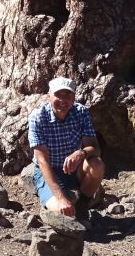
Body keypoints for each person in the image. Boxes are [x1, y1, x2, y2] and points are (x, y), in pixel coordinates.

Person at [28, 76, 105, 218]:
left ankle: (82, 206)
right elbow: (42, 161)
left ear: (74, 97)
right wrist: (61, 199)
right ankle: (57, 198)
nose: (63, 100)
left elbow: (95, 148)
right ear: (49, 95)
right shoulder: (38, 117)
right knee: (61, 211)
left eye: (68, 95)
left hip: (73, 168)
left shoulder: (81, 112)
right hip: (49, 170)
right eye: (58, 95)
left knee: (97, 164)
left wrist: (80, 153)